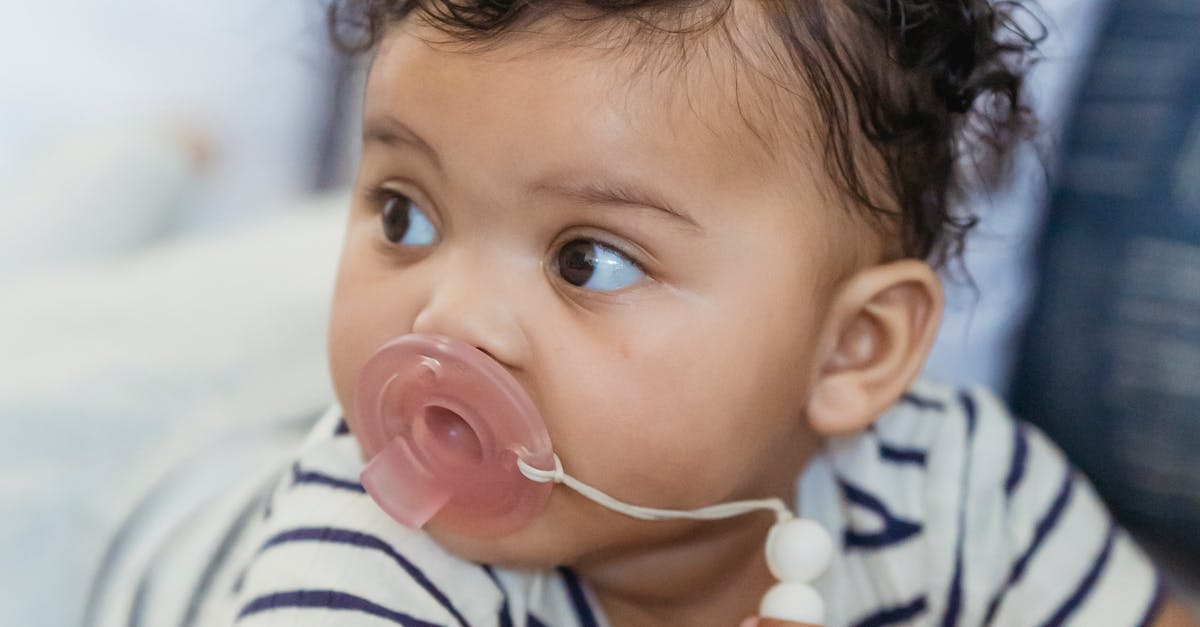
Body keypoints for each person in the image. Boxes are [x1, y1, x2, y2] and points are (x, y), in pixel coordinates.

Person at [150, 0, 1200, 625]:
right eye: (404, 213)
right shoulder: (378, 549)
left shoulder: (967, 493)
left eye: (588, 260)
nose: (449, 315)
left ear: (851, 351)